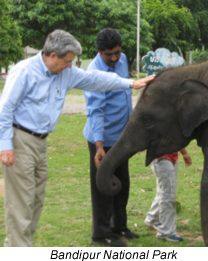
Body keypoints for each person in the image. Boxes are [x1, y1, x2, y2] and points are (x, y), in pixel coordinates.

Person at [0, 29, 155, 247]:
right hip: (20, 139)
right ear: (52, 55)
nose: (71, 66)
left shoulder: (65, 72)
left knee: (35, 201)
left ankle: (20, 247)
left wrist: (130, 83)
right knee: (21, 204)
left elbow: (95, 79)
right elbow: (5, 109)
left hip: (41, 142)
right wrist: (5, 145)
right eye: (68, 60)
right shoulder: (24, 71)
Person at [83, 28, 139, 247]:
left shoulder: (123, 59)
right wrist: (99, 147)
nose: (114, 58)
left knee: (122, 183)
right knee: (104, 186)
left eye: (117, 52)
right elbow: (95, 110)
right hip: (102, 138)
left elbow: (126, 96)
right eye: (109, 55)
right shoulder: (92, 73)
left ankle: (120, 226)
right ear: (99, 52)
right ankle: (101, 233)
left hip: (122, 136)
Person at [144, 149, 192, 242]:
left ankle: (152, 218)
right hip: (161, 158)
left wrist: (184, 153)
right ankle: (166, 232)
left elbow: (176, 136)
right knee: (168, 194)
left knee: (163, 191)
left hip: (172, 157)